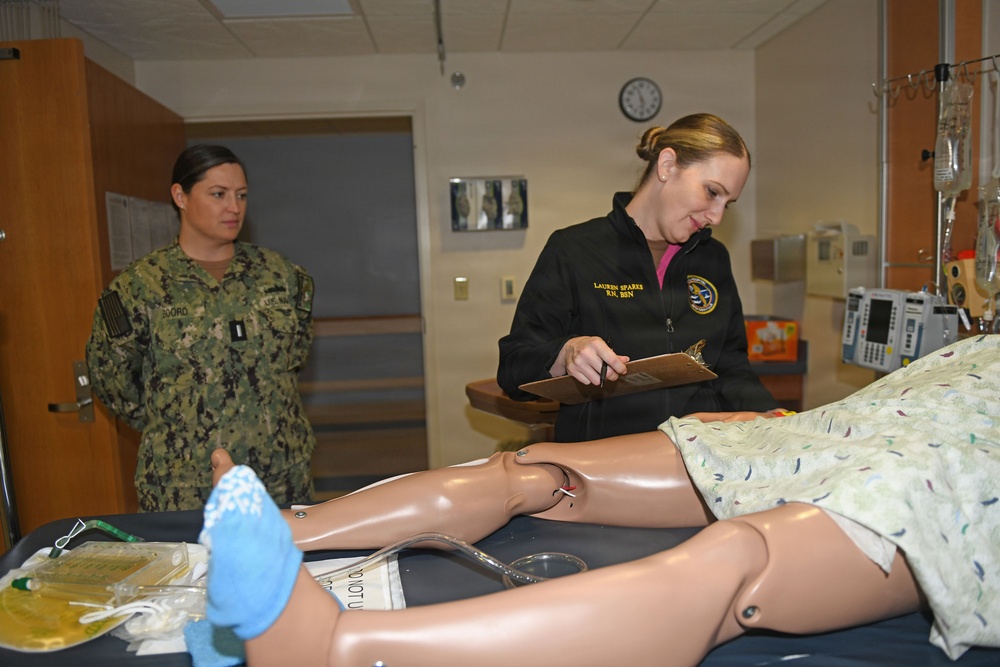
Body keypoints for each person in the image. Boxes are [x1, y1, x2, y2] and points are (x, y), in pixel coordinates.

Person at [198, 334, 1000, 666]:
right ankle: (292, 527)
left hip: (954, 481)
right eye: (712, 190)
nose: (717, 209)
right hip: (836, 430)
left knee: (735, 558)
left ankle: (332, 646)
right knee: (537, 471)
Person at [498, 113, 779, 442]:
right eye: (712, 192)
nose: (716, 217)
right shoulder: (574, 250)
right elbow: (513, 369)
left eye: (727, 204)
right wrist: (565, 352)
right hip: (605, 459)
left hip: (698, 458)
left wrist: (773, 416)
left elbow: (731, 366)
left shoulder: (713, 258)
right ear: (667, 165)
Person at [86, 144, 317, 512]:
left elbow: (295, 358)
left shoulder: (281, 276)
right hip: (183, 487)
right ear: (181, 196)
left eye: (241, 195)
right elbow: (114, 381)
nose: (234, 207)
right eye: (219, 194)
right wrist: (179, 424)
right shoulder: (139, 287)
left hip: (279, 479)